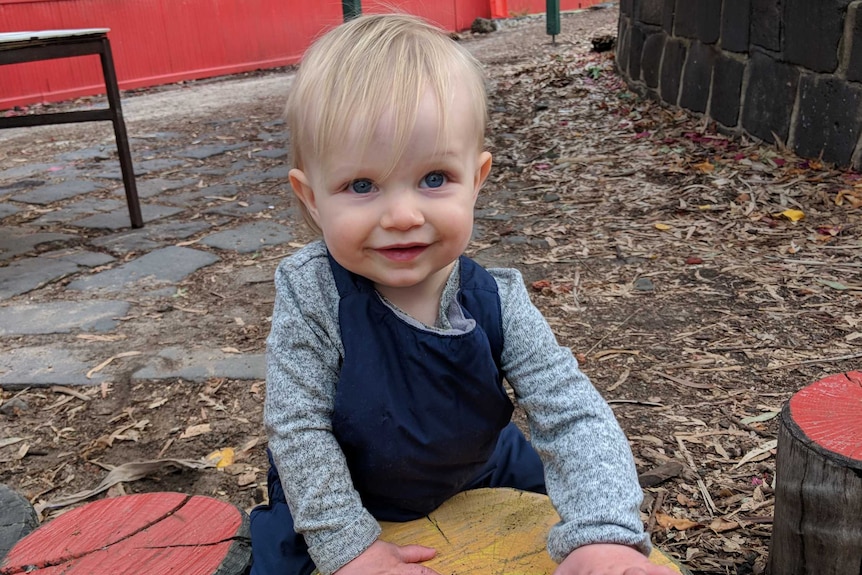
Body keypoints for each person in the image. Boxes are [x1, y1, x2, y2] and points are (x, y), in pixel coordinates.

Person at [250, 12, 678, 575]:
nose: (403, 216)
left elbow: (571, 413)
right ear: (311, 198)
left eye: (434, 179)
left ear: (476, 180)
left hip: (481, 469)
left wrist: (602, 534)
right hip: (343, 496)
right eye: (361, 185)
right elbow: (297, 427)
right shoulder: (312, 293)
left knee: (562, 526)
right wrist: (350, 549)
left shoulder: (497, 300)